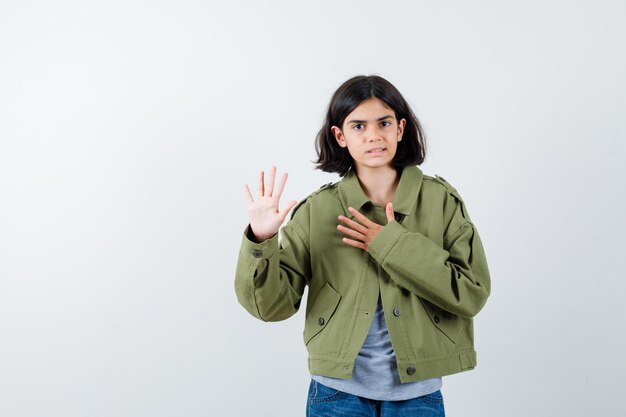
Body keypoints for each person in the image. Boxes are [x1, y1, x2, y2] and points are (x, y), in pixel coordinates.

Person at [235, 75, 491, 417]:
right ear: (339, 136)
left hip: (418, 395)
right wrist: (262, 240)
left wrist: (389, 244)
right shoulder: (317, 210)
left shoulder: (440, 201)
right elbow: (272, 308)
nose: (373, 135)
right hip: (336, 394)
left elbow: (471, 293)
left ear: (400, 129)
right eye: (358, 126)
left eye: (384, 123)